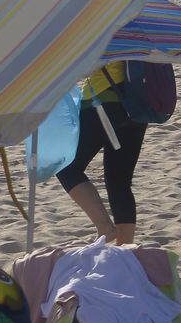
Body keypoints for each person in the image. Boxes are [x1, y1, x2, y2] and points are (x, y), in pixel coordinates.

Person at [56, 62, 147, 244]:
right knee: (119, 182)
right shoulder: (144, 33)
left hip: (102, 99)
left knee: (67, 167)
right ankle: (125, 248)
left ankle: (105, 227)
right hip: (138, 104)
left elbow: (87, 66)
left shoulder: (104, 32)